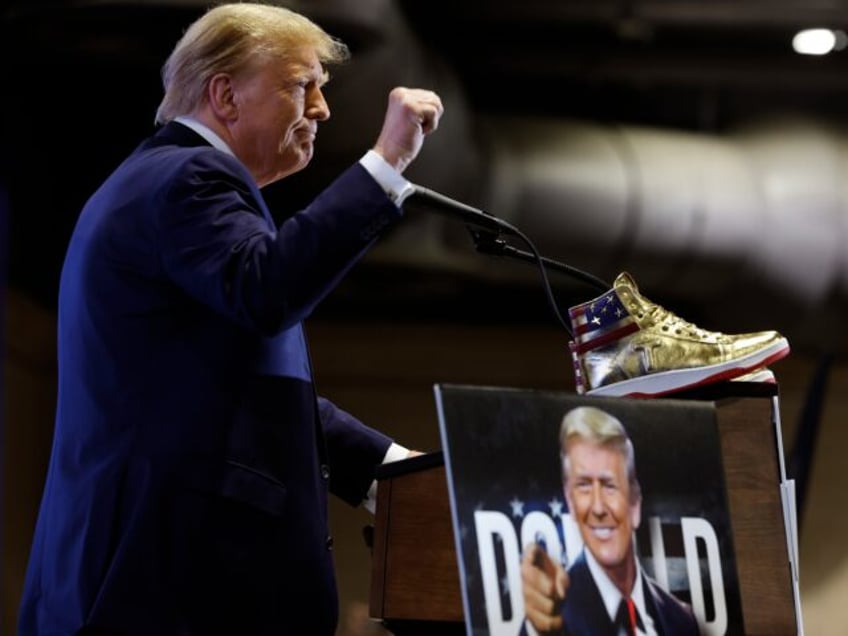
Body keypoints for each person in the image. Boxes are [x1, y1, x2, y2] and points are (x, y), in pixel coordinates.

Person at [18, 4, 442, 635]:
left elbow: (233, 395)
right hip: (168, 589)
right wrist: (385, 165)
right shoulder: (190, 176)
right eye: (303, 85)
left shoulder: (157, 182)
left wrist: (392, 471)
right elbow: (267, 291)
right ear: (226, 95)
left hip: (152, 583)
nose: (323, 108)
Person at [520, 406, 699, 636]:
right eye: (583, 485)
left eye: (609, 485)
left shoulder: (681, 620)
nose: (597, 507)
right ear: (570, 502)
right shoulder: (554, 617)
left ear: (635, 503)